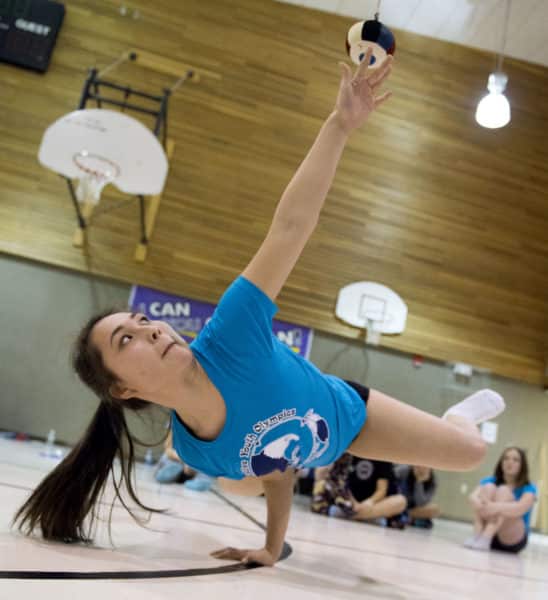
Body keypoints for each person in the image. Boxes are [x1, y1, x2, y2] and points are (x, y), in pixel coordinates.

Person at [13, 49, 505, 567]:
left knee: (470, 452)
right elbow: (277, 470)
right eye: (126, 340)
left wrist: (339, 126)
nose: (151, 330)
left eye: (142, 321)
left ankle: (457, 415)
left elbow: (291, 226)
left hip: (350, 414)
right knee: (241, 480)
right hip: (307, 450)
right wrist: (272, 548)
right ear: (123, 389)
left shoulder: (231, 330)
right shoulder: (195, 449)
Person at [465, 446, 537, 553]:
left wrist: (492, 506)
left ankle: (486, 537)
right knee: (489, 487)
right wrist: (482, 505)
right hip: (493, 539)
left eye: (515, 460)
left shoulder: (529, 487)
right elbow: (472, 497)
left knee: (503, 490)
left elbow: (520, 508)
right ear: (501, 462)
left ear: (522, 465)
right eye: (506, 458)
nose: (509, 462)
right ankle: (478, 535)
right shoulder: (489, 481)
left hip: (511, 538)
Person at [311, 452, 407, 527]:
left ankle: (348, 515)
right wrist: (352, 503)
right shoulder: (347, 453)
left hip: (371, 504)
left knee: (400, 501)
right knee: (322, 483)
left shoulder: (382, 456)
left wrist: (368, 503)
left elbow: (382, 490)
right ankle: (370, 518)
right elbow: (338, 482)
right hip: (345, 499)